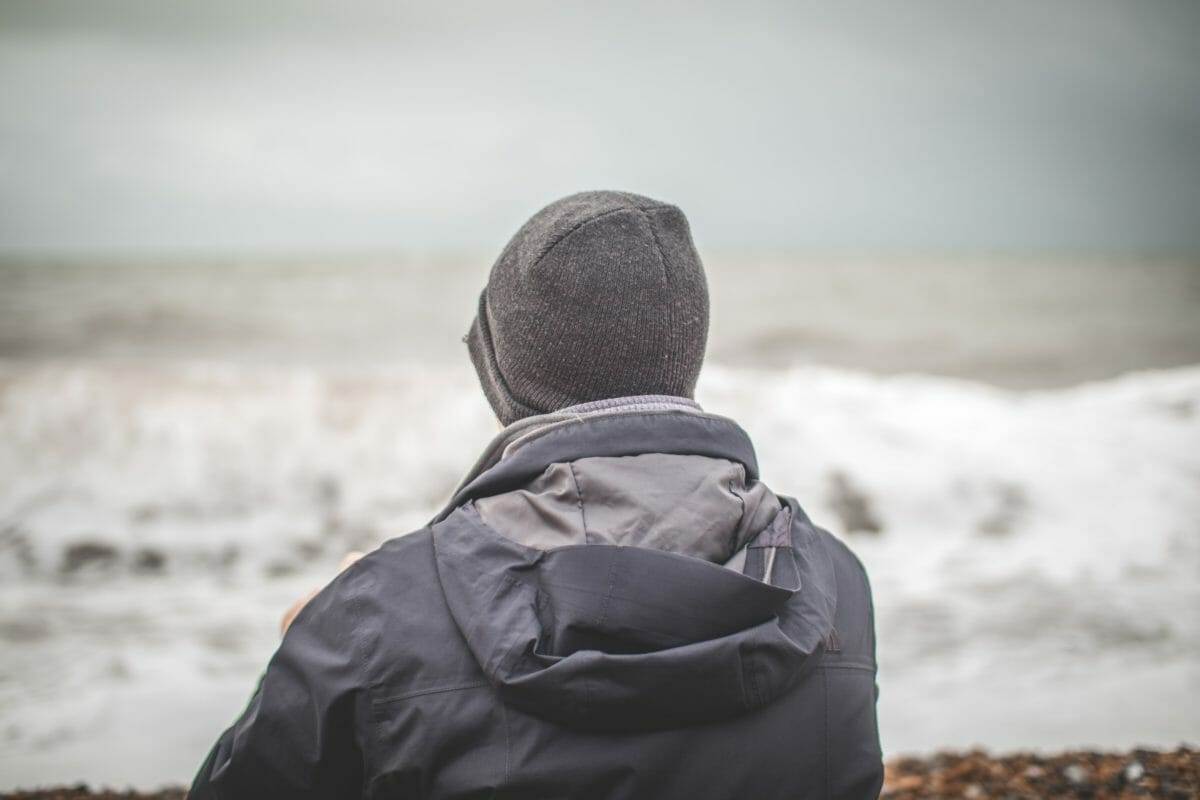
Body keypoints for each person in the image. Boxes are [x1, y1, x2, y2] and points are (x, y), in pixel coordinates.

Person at [189, 191, 883, 799]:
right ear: (685, 348)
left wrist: (317, 636)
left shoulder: (374, 613)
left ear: (503, 369)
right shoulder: (834, 585)